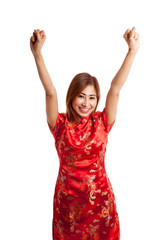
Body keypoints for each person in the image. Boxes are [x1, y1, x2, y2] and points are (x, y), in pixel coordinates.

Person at [30, 27, 140, 240]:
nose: (86, 103)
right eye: (81, 96)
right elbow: (50, 91)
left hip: (100, 203)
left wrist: (132, 51)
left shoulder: (102, 122)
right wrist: (37, 54)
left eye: (92, 98)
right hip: (68, 206)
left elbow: (115, 88)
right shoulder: (59, 124)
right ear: (72, 96)